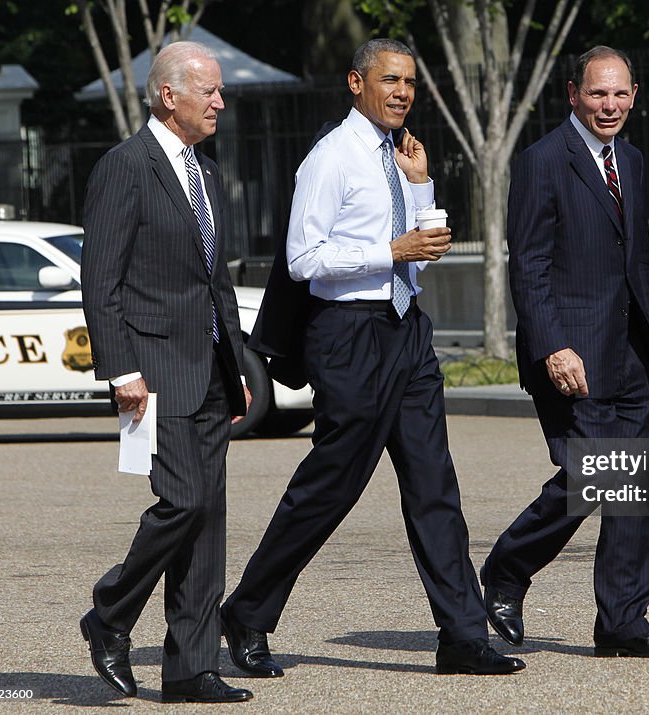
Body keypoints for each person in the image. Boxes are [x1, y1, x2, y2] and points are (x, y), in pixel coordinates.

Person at [219, 38, 525, 677]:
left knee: (434, 486)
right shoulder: (329, 159)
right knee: (331, 487)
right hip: (349, 334)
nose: (403, 92)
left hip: (407, 331)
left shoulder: (400, 155)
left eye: (410, 81)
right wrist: (391, 251)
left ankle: (464, 638)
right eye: (390, 79)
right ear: (356, 83)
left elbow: (423, 243)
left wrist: (421, 187)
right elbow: (304, 261)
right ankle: (247, 613)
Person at [480, 45, 649, 659]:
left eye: (621, 93)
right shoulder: (543, 161)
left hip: (631, 357)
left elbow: (637, 267)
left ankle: (623, 624)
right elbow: (530, 267)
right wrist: (552, 347)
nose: (610, 105)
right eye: (598, 93)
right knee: (592, 479)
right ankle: (505, 573)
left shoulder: (633, 160)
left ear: (634, 94)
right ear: (572, 94)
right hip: (571, 356)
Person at [79, 41, 254, 704]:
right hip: (147, 373)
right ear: (167, 96)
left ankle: (190, 667)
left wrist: (233, 364)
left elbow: (215, 283)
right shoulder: (126, 167)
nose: (219, 102)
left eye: (218, 91)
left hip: (208, 370)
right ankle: (109, 613)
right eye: (207, 91)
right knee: (181, 501)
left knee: (207, 516)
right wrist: (120, 371)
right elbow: (101, 282)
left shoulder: (204, 171)